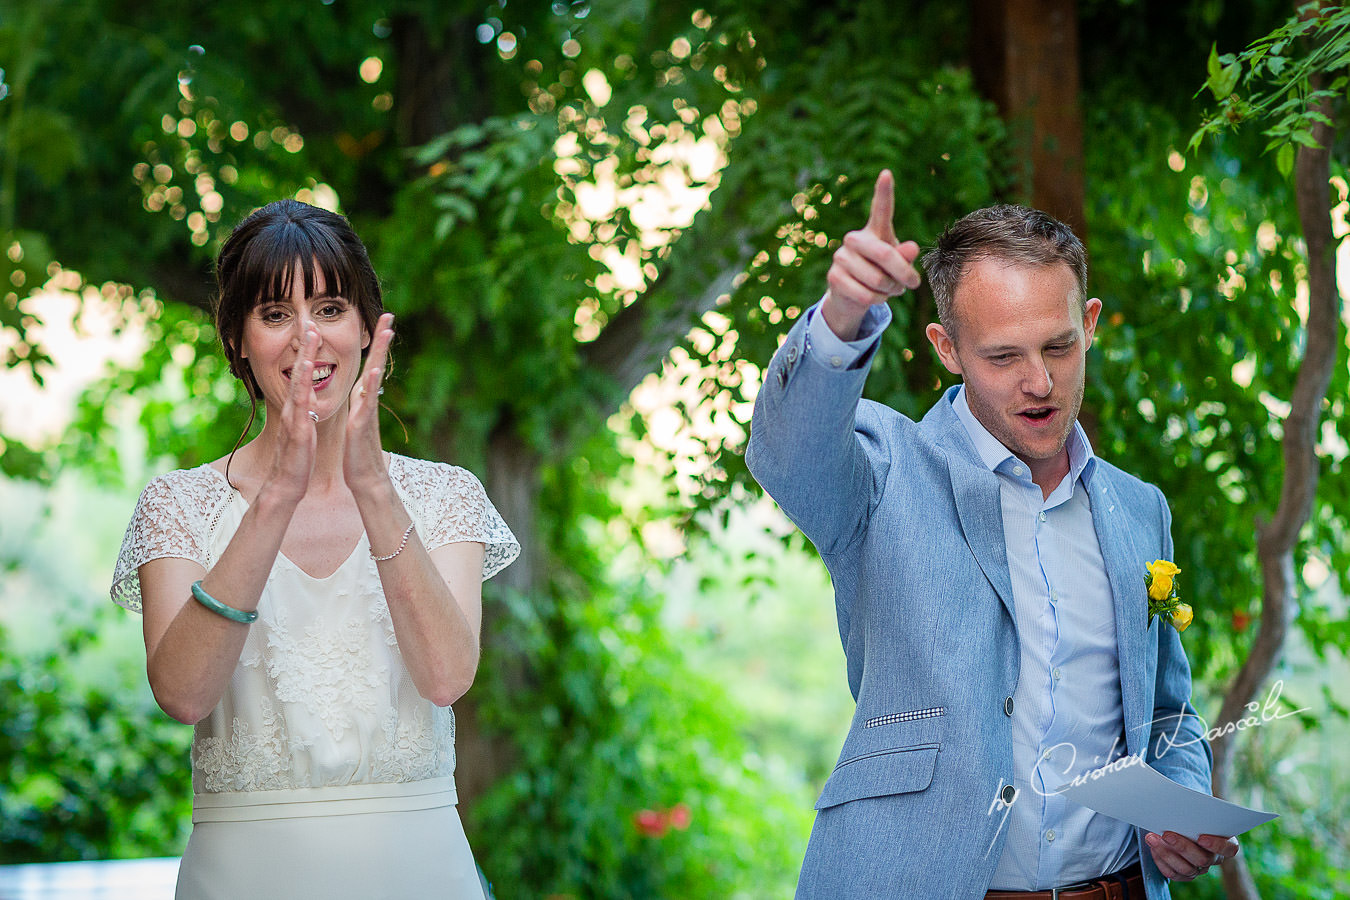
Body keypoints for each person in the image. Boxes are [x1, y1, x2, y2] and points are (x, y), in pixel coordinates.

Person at [745, 171, 1240, 899]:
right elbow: (788, 451)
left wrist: (1181, 804)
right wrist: (844, 313)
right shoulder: (884, 472)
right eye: (1003, 357)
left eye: (1059, 347)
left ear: (1091, 324)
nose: (1038, 381)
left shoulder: (1140, 511)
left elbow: (1167, 710)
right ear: (947, 348)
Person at [110, 199, 519, 900]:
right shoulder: (176, 506)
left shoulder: (446, 496)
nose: (307, 340)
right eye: (274, 315)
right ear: (238, 339)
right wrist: (275, 498)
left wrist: (373, 487)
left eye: (330, 308)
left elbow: (447, 677)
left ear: (365, 325)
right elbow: (181, 694)